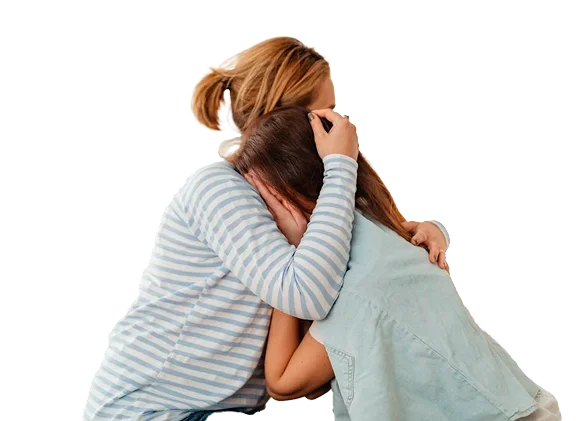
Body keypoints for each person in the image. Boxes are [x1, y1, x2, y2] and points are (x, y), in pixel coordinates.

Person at [83, 36, 450, 421]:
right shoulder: (220, 189)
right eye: (327, 113)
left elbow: (352, 255)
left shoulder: (294, 198)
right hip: (150, 410)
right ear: (285, 120)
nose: (341, 127)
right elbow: (306, 295)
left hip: (221, 410)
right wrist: (341, 165)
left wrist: (427, 229)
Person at [239, 106, 562, 420]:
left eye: (264, 202)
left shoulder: (361, 285)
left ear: (288, 195)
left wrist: (289, 263)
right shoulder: (383, 234)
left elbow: (284, 383)